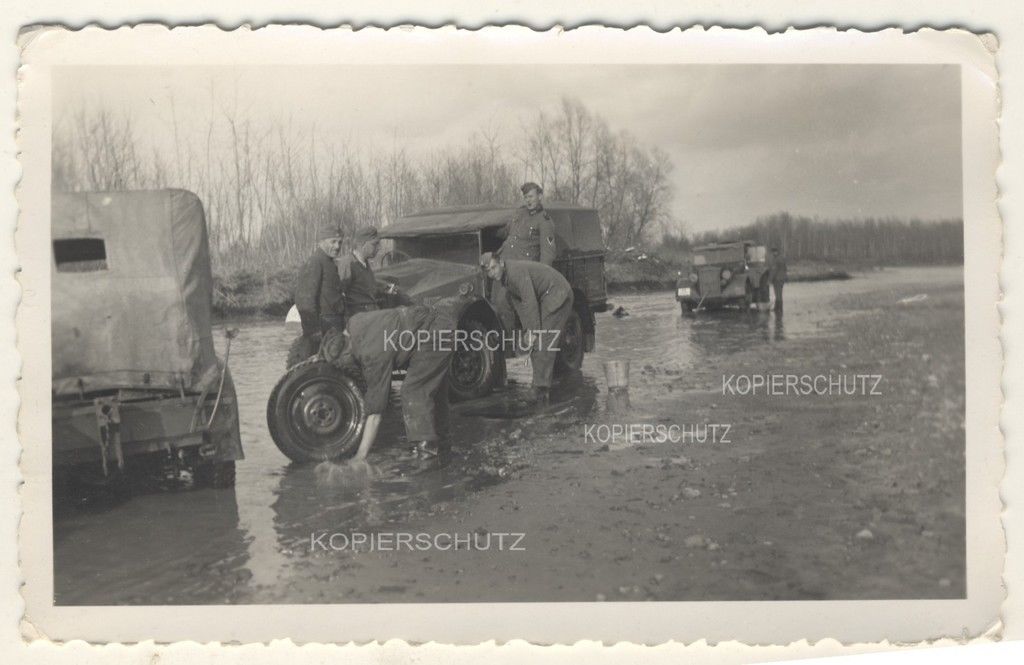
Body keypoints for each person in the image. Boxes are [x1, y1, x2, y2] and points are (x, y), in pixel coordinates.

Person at [343, 299, 460, 462]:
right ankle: (442, 443)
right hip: (437, 320)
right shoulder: (354, 323)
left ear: (349, 354)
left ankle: (427, 451)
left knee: (414, 390)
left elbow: (375, 413)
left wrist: (360, 455)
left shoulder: (372, 355)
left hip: (435, 333)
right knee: (435, 390)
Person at [481, 252, 574, 406]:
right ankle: (539, 386)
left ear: (501, 263)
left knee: (543, 342)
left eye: (494, 267)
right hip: (547, 296)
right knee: (535, 343)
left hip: (557, 294)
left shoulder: (516, 272)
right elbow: (521, 306)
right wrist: (527, 332)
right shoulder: (506, 280)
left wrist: (534, 332)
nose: (492, 273)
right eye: (489, 271)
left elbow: (530, 301)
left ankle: (541, 390)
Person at [292, 226, 346, 362]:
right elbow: (304, 300)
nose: (337, 246)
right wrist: (314, 332)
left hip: (333, 326)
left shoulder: (329, 262)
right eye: (333, 241)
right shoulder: (315, 262)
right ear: (321, 242)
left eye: (340, 242)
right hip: (323, 327)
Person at [496, 182, 557, 266]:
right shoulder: (520, 213)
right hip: (503, 261)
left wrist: (541, 274)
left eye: (531, 196)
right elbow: (507, 231)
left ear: (539, 197)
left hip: (523, 267)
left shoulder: (544, 221)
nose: (528, 200)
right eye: (526, 197)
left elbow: (548, 253)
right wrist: (490, 233)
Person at [335, 225, 383, 320]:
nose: (379, 248)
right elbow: (337, 295)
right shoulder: (348, 264)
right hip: (359, 319)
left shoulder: (364, 263)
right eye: (375, 244)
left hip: (371, 316)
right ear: (362, 245)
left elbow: (364, 288)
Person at [770, 247, 788, 313]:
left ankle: (779, 309)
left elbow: (774, 271)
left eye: (773, 252)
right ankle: (777, 308)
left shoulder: (776, 260)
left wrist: (770, 280)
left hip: (777, 279)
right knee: (779, 293)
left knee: (778, 294)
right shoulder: (782, 258)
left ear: (775, 252)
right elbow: (785, 269)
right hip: (782, 279)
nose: (773, 254)